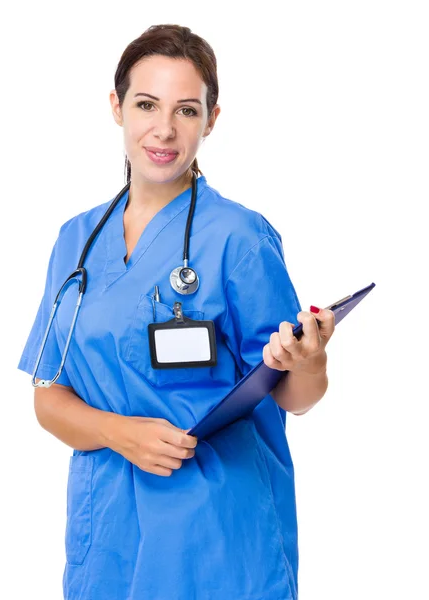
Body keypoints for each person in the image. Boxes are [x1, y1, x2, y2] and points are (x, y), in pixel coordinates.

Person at [17, 24, 335, 600]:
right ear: (117, 107)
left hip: (220, 532)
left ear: (211, 120)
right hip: (109, 533)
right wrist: (120, 434)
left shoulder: (239, 237)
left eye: (187, 110)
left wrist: (310, 362)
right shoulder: (76, 242)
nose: (164, 129)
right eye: (146, 104)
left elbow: (293, 394)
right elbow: (49, 396)